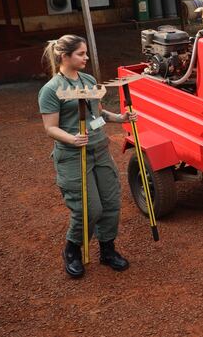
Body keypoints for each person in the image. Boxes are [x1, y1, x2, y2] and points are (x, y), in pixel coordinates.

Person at [38, 35, 136, 278]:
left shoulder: (88, 80)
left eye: (85, 53)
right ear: (65, 57)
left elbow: (96, 115)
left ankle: (107, 249)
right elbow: (50, 127)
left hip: (99, 150)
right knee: (89, 209)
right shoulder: (50, 90)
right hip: (73, 155)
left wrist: (119, 119)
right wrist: (72, 138)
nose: (86, 58)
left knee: (111, 203)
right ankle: (72, 249)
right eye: (81, 54)